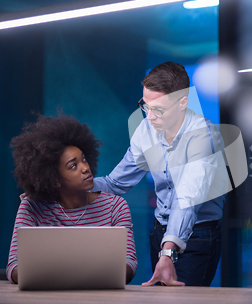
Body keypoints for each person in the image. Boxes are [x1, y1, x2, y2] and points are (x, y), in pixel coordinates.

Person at [92, 61, 228, 287]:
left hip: (199, 234)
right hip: (159, 230)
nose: (150, 116)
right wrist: (65, 187)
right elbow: (115, 183)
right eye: (145, 106)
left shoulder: (203, 136)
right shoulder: (146, 130)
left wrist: (167, 253)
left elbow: (187, 200)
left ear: (183, 102)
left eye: (159, 109)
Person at [7, 114, 137, 285]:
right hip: (46, 302)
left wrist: (64, 274)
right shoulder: (31, 207)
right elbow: (14, 267)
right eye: (73, 166)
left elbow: (130, 263)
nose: (85, 168)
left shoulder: (116, 207)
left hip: (103, 301)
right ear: (54, 179)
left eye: (84, 159)